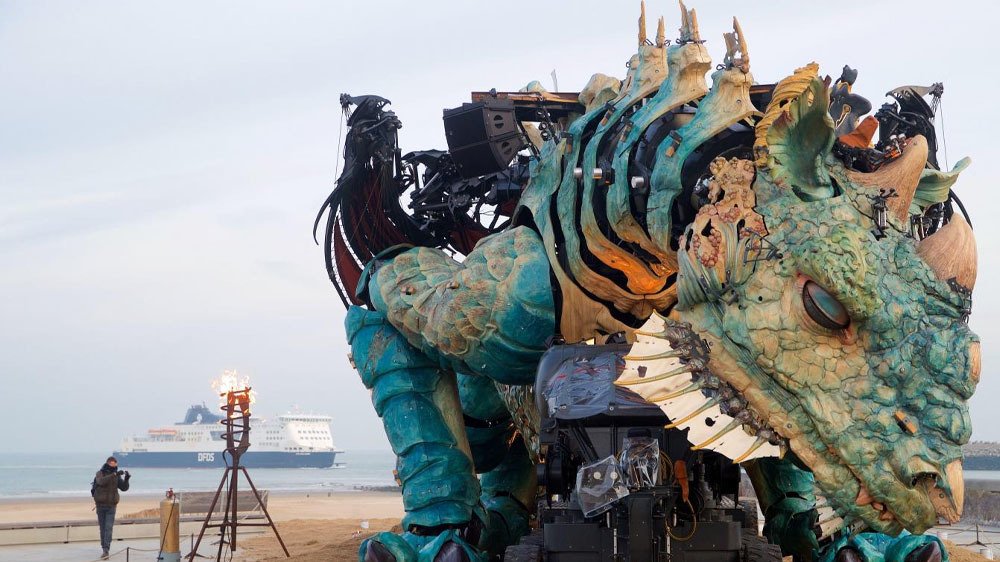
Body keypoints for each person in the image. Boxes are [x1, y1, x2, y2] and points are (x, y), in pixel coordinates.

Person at [93, 456, 130, 559]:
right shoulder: (100, 473)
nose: (114, 467)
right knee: (103, 528)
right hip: (100, 506)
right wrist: (114, 474)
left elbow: (124, 488)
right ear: (108, 463)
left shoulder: (116, 476)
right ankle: (104, 548)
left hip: (111, 506)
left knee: (108, 528)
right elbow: (100, 481)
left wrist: (127, 479)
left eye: (116, 465)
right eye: (112, 465)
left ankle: (106, 550)